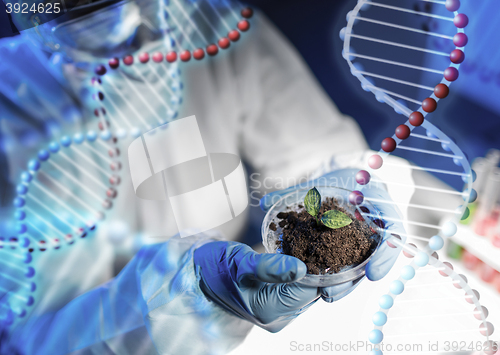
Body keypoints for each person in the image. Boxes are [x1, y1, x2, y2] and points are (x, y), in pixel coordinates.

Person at [0, 0, 408, 353]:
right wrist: (200, 294)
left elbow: (314, 153)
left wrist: (346, 182)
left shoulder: (210, 24)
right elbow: (24, 342)